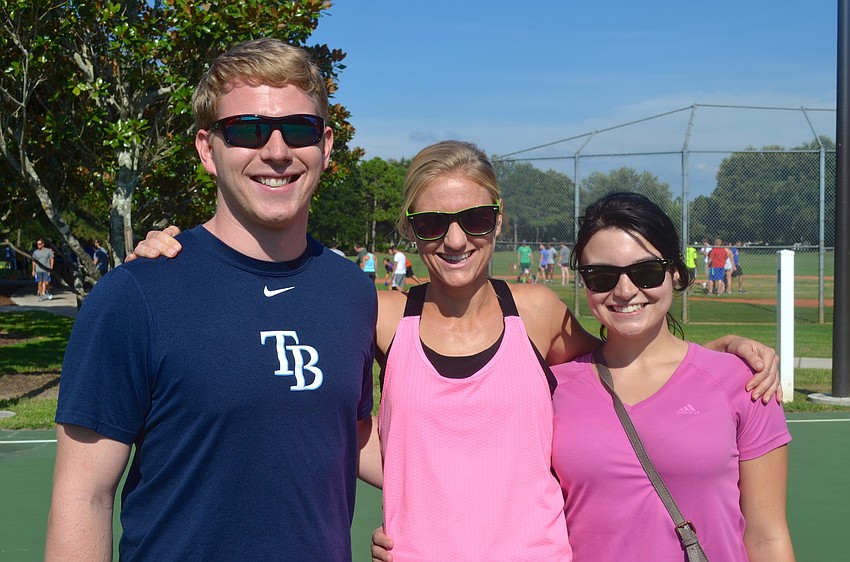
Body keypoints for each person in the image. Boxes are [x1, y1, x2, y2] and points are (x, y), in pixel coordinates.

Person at [134, 143, 780, 561]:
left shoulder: (535, 310)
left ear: (497, 221)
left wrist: (714, 356)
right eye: (430, 224)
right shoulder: (380, 315)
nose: (453, 239)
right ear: (409, 231)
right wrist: (185, 258)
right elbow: (313, 401)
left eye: (474, 219)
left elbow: (621, 366)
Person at [45, 38, 377, 561]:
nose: (277, 152)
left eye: (299, 129)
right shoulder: (136, 295)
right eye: (246, 130)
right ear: (207, 150)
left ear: (326, 145)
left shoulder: (352, 292)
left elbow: (352, 436)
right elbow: (83, 497)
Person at [554, 192, 793, 560]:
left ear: (676, 273)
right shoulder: (553, 389)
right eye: (601, 276)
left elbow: (767, 537)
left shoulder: (743, 382)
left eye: (646, 272)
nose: (625, 291)